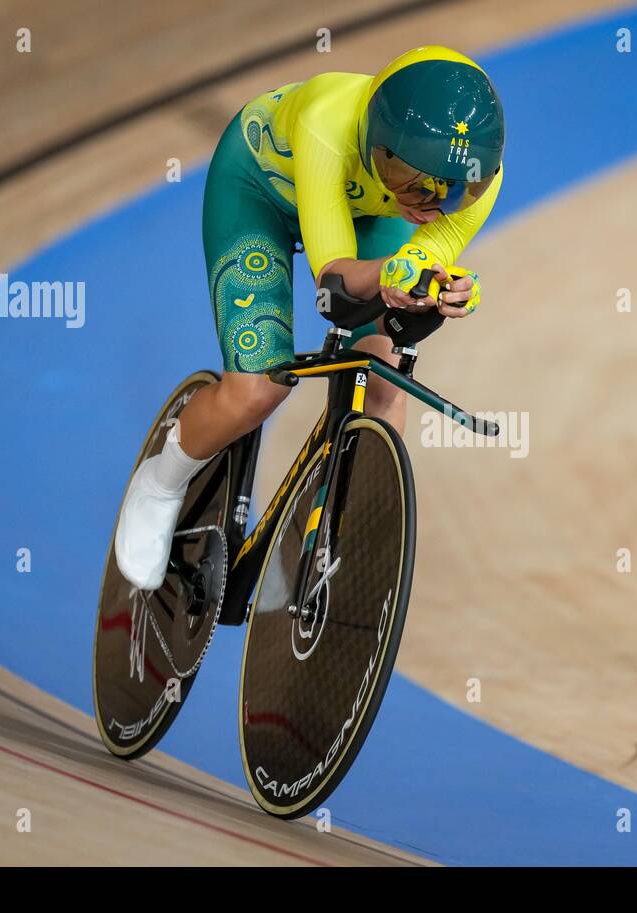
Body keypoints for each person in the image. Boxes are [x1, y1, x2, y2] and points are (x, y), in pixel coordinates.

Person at [115, 45, 505, 590]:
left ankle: (341, 533)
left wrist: (440, 287)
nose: (434, 203)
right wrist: (397, 269)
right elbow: (337, 283)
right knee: (258, 390)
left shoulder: (473, 183)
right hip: (260, 192)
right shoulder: (328, 120)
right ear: (374, 142)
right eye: (412, 178)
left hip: (365, 215)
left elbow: (421, 261)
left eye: (459, 188)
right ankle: (161, 481)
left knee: (384, 378)